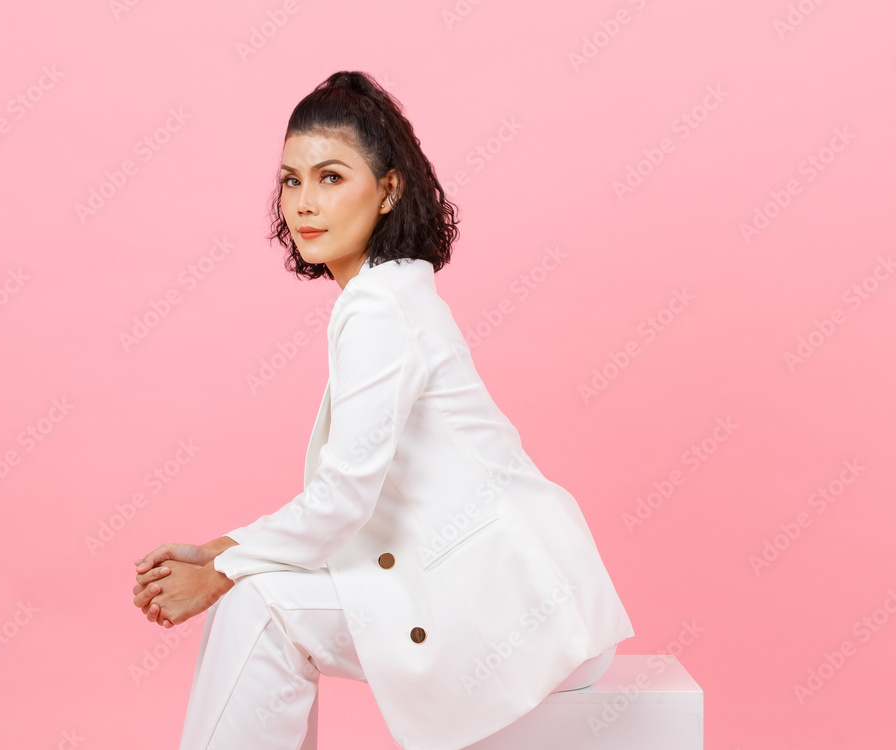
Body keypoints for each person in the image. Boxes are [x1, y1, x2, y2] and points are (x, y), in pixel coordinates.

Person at [131, 70, 634, 750]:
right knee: (260, 597)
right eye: (291, 180)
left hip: (511, 614)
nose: (305, 203)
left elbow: (343, 500)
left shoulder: (378, 307)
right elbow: (347, 494)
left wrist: (221, 572)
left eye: (331, 177)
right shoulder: (391, 293)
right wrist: (224, 548)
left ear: (388, 188)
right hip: (527, 603)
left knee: (259, 605)